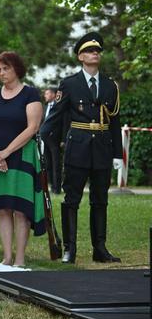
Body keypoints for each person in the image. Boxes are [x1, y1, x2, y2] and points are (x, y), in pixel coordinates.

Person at [40, 32, 123, 263]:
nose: (94, 54)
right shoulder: (69, 84)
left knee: (100, 200)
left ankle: (100, 248)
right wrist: (42, 140)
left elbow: (114, 121)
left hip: (103, 150)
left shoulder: (110, 86)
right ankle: (70, 249)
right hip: (78, 149)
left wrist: (118, 153)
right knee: (71, 200)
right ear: (80, 57)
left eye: (97, 51)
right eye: (89, 51)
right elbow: (54, 118)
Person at [0, 51, 44, 267]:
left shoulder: (30, 94)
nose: (2, 73)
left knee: (20, 208)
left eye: (6, 68)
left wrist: (5, 153)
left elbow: (32, 127)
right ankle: (6, 257)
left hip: (20, 157)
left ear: (16, 68)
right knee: (2, 208)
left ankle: (20, 259)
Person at [41, 87, 62, 194]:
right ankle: (51, 186)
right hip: (44, 139)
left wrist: (63, 139)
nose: (45, 95)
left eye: (47, 93)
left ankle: (57, 188)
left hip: (55, 139)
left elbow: (63, 122)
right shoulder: (44, 108)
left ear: (54, 95)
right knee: (48, 164)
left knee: (56, 164)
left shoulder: (59, 107)